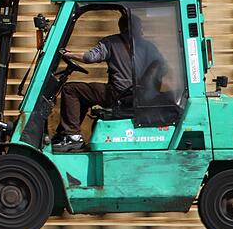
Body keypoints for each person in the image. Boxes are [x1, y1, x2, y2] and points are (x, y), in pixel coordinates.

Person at [51, 12, 165, 152]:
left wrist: (69, 54)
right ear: (136, 28)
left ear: (121, 27)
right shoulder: (149, 47)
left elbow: (89, 58)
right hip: (141, 98)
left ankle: (72, 136)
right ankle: (68, 133)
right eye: (140, 27)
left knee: (71, 89)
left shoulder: (111, 42)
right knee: (85, 95)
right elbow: (162, 68)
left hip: (118, 95)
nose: (141, 30)